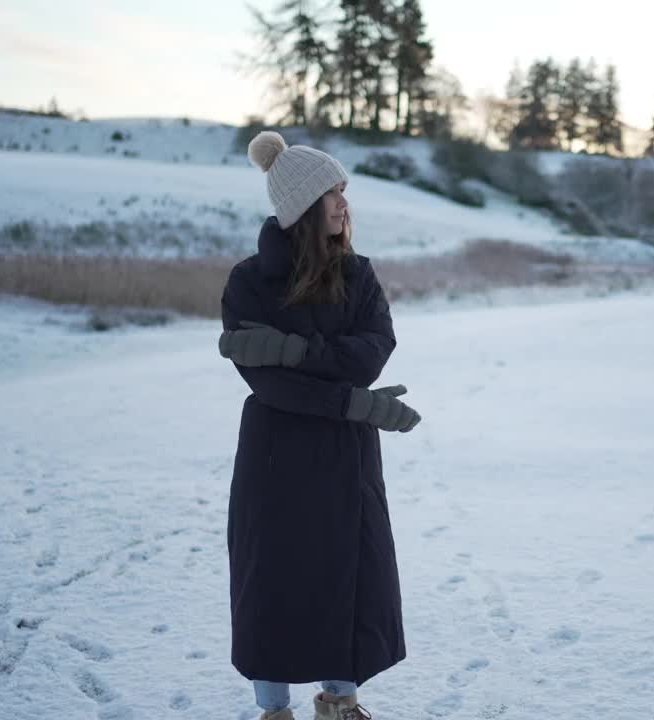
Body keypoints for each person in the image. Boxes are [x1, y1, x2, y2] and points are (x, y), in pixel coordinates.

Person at [218, 130, 422, 720]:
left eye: (343, 190)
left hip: (345, 457)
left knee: (349, 577)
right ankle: (273, 710)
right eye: (332, 192)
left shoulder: (359, 275)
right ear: (302, 205)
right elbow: (268, 383)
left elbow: (372, 352)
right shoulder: (248, 283)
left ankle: (340, 702)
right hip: (276, 457)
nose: (343, 203)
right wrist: (343, 395)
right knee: (273, 580)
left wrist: (295, 350)